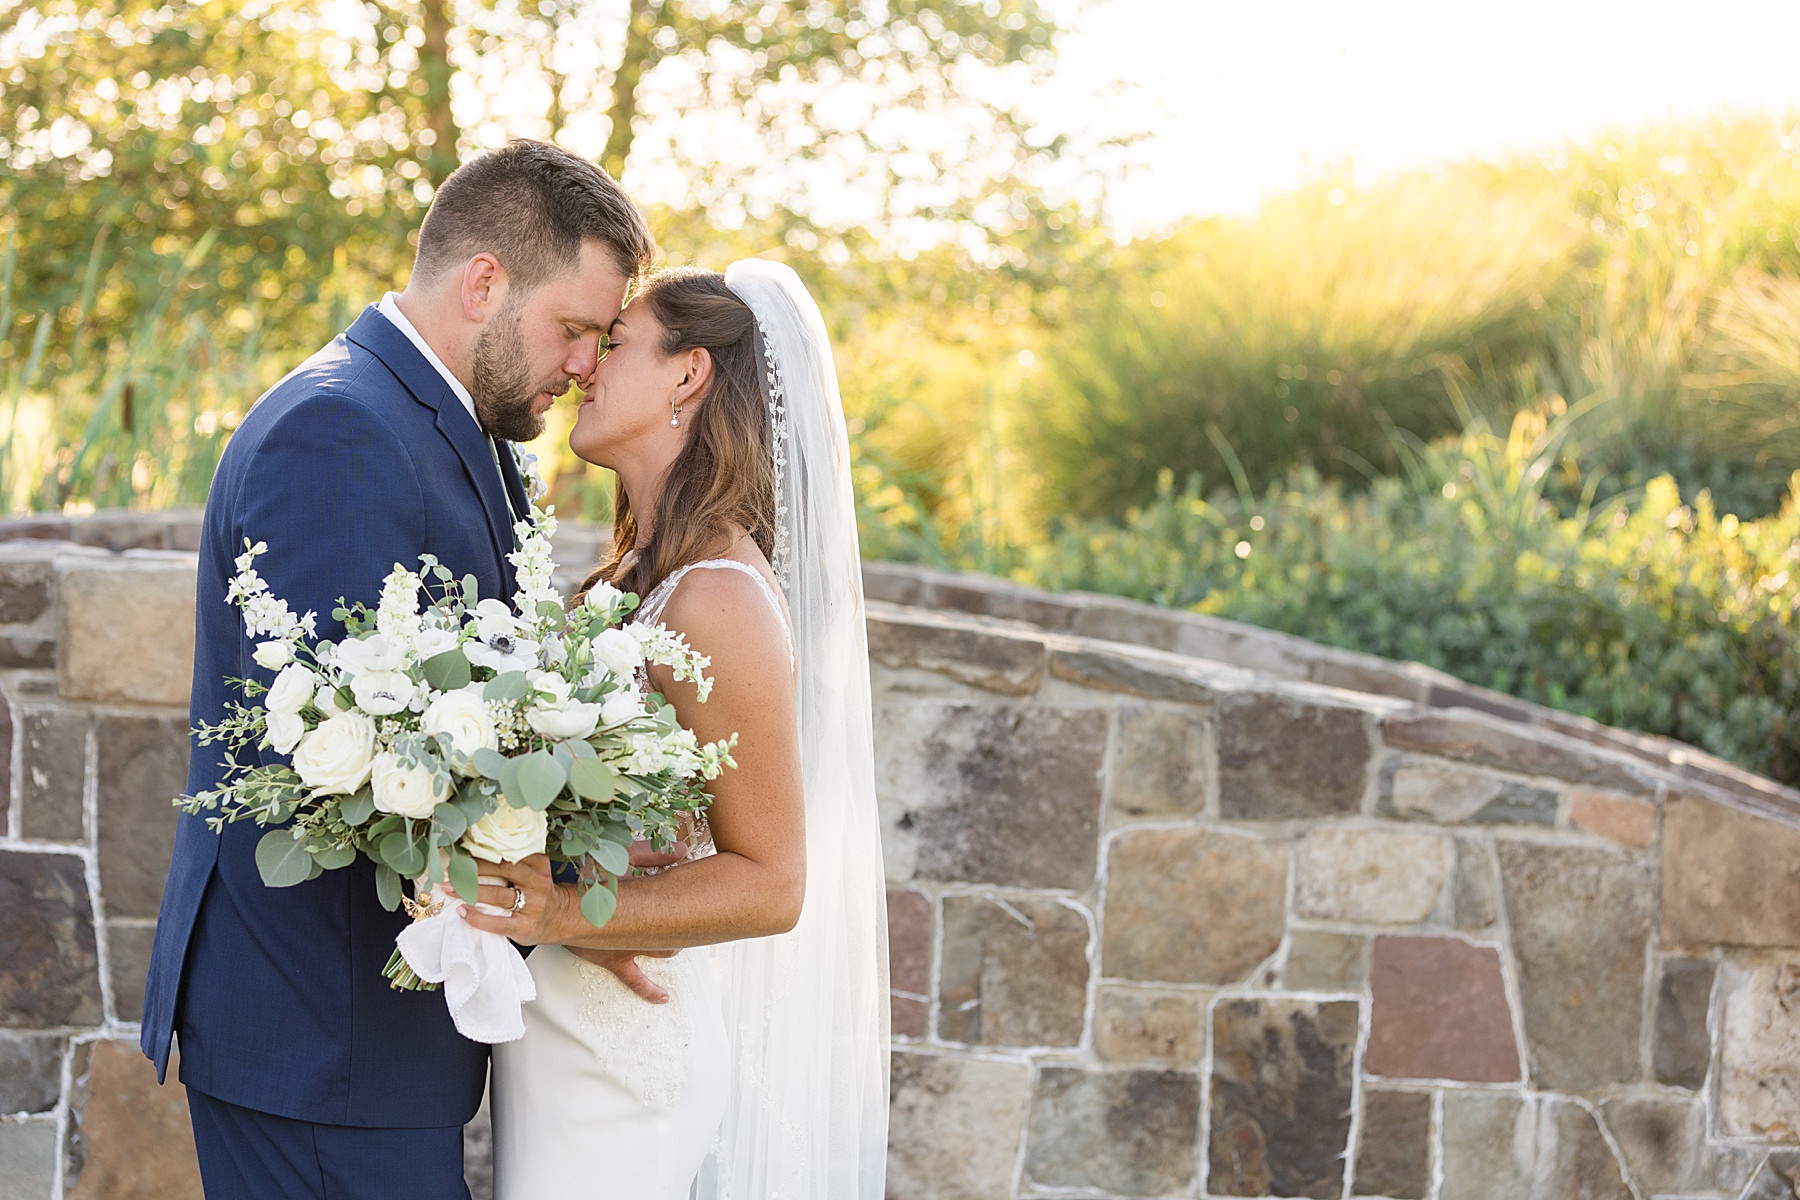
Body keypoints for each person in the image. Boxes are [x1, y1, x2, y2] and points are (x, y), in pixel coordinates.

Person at [140, 139, 657, 1199]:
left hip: (360, 1049)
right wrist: (568, 898)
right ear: (483, 283)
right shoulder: (341, 427)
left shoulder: (433, 423)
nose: (585, 365)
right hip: (320, 1038)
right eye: (574, 329)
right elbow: (351, 754)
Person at [464, 263, 891, 1199]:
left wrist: (560, 912)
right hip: (569, 1030)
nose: (584, 367)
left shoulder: (721, 601)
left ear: (688, 375)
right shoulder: (644, 579)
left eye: (615, 344)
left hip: (623, 1059)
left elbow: (773, 883)